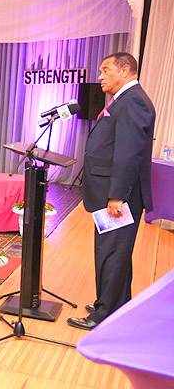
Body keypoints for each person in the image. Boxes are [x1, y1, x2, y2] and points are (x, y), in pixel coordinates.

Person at [66, 52, 156, 331]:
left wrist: (117, 195)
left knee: (113, 253)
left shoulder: (134, 102)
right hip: (111, 194)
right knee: (114, 252)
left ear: (125, 70)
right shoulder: (125, 100)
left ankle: (103, 314)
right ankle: (115, 303)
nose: (100, 76)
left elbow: (129, 153)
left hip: (118, 197)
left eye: (106, 70)